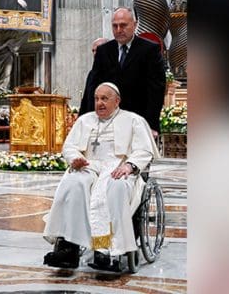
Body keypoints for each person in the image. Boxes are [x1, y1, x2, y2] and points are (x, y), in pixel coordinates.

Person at [43, 82, 159, 270]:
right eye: (96, 99)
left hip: (118, 168)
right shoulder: (85, 120)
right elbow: (69, 146)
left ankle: (109, 250)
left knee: (115, 187)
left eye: (105, 98)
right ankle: (69, 246)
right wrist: (76, 158)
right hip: (90, 166)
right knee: (73, 183)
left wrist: (129, 166)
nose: (99, 103)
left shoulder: (133, 120)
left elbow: (144, 150)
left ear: (117, 101)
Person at [83, 7, 166, 135]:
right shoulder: (104, 51)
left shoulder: (149, 49)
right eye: (114, 26)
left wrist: (151, 124)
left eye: (123, 25)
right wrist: (88, 120)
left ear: (134, 24)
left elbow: (156, 89)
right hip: (107, 121)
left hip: (138, 120)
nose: (118, 30)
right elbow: (93, 86)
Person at [78, 37, 109, 115]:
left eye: (98, 49)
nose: (95, 53)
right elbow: (85, 100)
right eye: (93, 50)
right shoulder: (91, 74)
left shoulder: (116, 71)